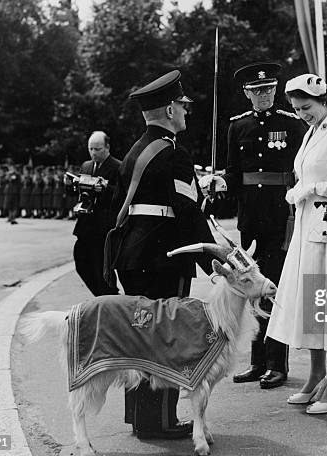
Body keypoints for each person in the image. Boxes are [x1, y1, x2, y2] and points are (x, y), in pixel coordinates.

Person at [112, 69, 216, 440]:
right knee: (166, 336)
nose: (186, 112)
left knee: (139, 334)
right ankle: (161, 422)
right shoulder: (174, 154)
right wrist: (214, 262)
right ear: (170, 110)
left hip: (134, 253)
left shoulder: (134, 151)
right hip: (164, 257)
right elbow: (187, 213)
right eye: (183, 106)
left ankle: (140, 418)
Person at [199, 62, 307, 389]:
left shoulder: (291, 124)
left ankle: (277, 363)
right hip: (251, 219)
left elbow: (300, 170)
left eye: (269, 90)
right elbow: (234, 173)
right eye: (257, 91)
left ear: (275, 90)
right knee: (250, 289)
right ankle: (257, 362)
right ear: (247, 93)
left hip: (280, 217)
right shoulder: (237, 127)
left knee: (274, 288)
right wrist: (218, 183)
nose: (264, 96)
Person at [266, 74, 327, 413]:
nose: (301, 114)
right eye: (296, 109)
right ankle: (316, 376)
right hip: (308, 229)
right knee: (310, 305)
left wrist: (316, 189)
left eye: (306, 107)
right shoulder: (311, 133)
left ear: (324, 100)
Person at [71, 131, 120, 297]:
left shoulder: (117, 167)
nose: (93, 153)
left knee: (101, 267)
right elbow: (79, 192)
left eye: (97, 149)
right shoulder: (86, 166)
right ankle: (101, 296)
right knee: (81, 262)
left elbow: (121, 194)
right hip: (85, 224)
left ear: (107, 147)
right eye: (90, 149)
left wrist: (105, 188)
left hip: (103, 226)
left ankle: (110, 297)